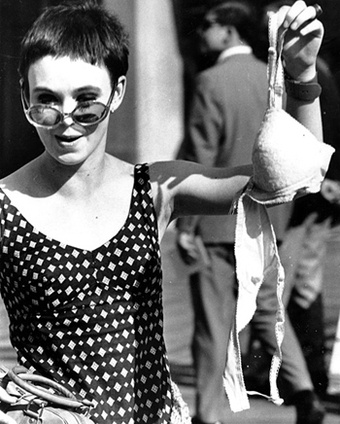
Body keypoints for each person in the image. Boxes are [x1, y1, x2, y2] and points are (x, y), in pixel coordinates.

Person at [0, 1, 327, 423]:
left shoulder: (155, 188)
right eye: (46, 101)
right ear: (24, 97)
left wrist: (301, 75)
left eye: (86, 102)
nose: (66, 122)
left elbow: (290, 180)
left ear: (117, 93)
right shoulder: (5, 205)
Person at [176, 2, 326, 424]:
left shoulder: (209, 82)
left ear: (229, 31)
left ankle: (207, 413)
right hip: (267, 219)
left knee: (212, 325)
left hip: (218, 218)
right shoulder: (270, 78)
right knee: (267, 310)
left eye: (208, 25)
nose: (202, 33)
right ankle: (303, 392)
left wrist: (186, 224)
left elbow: (200, 155)